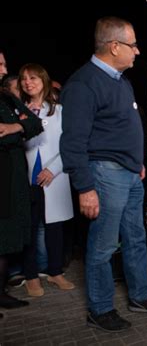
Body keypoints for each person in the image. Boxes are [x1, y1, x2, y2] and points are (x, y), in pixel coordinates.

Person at [60, 16, 147, 333]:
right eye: (133, 44)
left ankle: (140, 295)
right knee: (103, 246)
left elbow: (117, 129)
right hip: (104, 177)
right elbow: (72, 142)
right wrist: (85, 188)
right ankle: (100, 308)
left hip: (128, 175)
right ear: (114, 46)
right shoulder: (84, 84)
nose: (137, 51)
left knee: (136, 239)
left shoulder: (119, 82)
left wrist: (135, 161)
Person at [19, 63, 75, 297]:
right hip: (27, 178)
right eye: (23, 79)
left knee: (55, 228)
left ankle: (55, 271)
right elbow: (21, 146)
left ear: (43, 80)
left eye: (33, 78)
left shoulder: (59, 111)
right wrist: (25, 120)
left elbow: (69, 144)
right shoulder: (18, 111)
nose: (27, 82)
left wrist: (53, 169)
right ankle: (31, 277)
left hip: (54, 177)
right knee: (29, 229)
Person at [1, 83, 43, 318]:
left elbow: (35, 125)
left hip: (14, 174)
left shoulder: (7, 97)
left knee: (7, 233)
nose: (3, 69)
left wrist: (13, 126)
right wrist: (20, 127)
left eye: (4, 64)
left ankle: (1, 292)